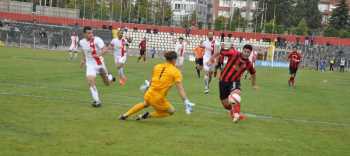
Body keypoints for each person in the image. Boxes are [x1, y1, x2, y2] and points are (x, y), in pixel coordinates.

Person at [119, 51, 195, 120]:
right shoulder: (176, 72)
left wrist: (146, 86)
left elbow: (152, 79)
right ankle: (148, 115)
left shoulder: (157, 66)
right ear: (174, 60)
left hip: (149, 93)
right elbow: (180, 89)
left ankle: (125, 115)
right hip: (158, 98)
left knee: (145, 103)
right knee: (171, 111)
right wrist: (186, 101)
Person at [209, 44, 258, 123]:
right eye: (245, 51)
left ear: (250, 53)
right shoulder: (234, 53)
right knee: (225, 105)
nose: (246, 53)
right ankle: (233, 111)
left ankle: (236, 115)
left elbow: (253, 73)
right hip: (223, 81)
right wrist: (211, 59)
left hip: (235, 81)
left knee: (235, 94)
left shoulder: (248, 63)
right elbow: (220, 52)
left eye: (248, 52)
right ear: (242, 50)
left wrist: (254, 84)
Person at [79, 26, 115, 107]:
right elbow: (83, 51)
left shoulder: (97, 40)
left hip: (100, 64)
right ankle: (97, 100)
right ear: (84, 34)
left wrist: (99, 54)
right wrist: (83, 60)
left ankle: (110, 77)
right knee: (90, 81)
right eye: (88, 33)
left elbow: (105, 49)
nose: (91, 34)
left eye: (91, 32)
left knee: (107, 83)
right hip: (90, 65)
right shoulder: (82, 42)